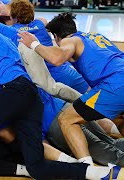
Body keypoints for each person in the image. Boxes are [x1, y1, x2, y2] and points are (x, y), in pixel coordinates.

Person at [0, 15, 120, 180]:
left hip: (18, 92)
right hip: (32, 98)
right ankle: (99, 173)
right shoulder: (7, 42)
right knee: (36, 167)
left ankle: (90, 166)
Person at [18, 12, 124, 165]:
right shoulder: (94, 36)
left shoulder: (70, 41)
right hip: (119, 75)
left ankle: (87, 167)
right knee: (120, 121)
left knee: (67, 119)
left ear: (57, 36)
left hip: (115, 84)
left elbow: (57, 58)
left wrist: (34, 44)